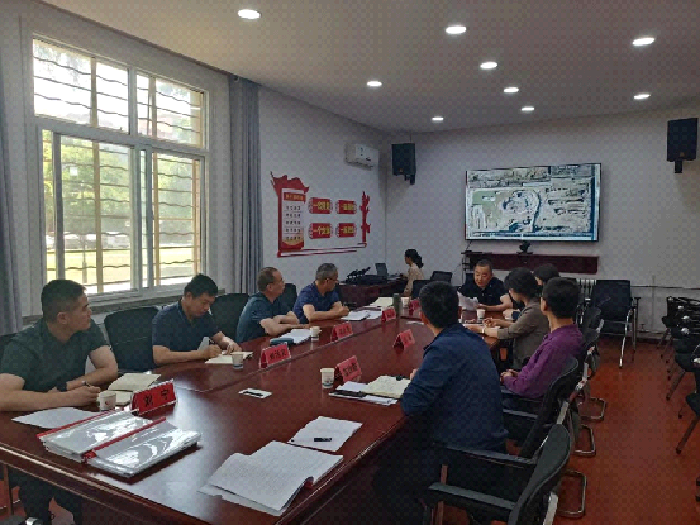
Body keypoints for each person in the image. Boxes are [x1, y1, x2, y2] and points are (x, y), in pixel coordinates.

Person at [373, 281, 507, 525]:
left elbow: (411, 405)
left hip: (467, 459)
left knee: (385, 480)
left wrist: (419, 379)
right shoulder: (474, 339)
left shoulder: (442, 349)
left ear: (423, 318)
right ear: (459, 312)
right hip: (491, 447)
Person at [0, 279, 120, 524]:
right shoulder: (25, 344)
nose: (90, 312)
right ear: (63, 318)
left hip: (69, 421)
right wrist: (63, 398)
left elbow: (110, 368)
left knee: (98, 477)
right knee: (44, 481)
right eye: (84, 308)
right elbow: (3, 397)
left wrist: (71, 385)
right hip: (27, 432)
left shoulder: (86, 329)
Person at [501, 277, 583, 399]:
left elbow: (526, 388)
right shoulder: (571, 334)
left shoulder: (556, 345)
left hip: (527, 402)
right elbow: (540, 375)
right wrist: (518, 375)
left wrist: (507, 378)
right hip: (533, 388)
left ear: (544, 305)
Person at [152, 274, 241, 365]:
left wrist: (230, 343)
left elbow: (220, 337)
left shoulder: (202, 315)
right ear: (189, 296)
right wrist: (201, 354)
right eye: (204, 303)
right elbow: (160, 357)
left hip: (188, 368)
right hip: (167, 371)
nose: (207, 308)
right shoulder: (165, 317)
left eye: (210, 304)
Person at [481, 267, 550, 369]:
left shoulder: (533, 310)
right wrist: (500, 322)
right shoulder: (534, 303)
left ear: (514, 290)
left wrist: (481, 329)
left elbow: (508, 333)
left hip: (527, 363)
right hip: (528, 358)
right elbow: (522, 326)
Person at [236, 267, 308, 343]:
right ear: (270, 287)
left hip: (265, 342)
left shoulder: (276, 300)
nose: (284, 283)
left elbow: (295, 320)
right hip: (249, 346)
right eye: (280, 281)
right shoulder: (257, 303)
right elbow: (272, 330)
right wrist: (294, 326)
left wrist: (280, 318)